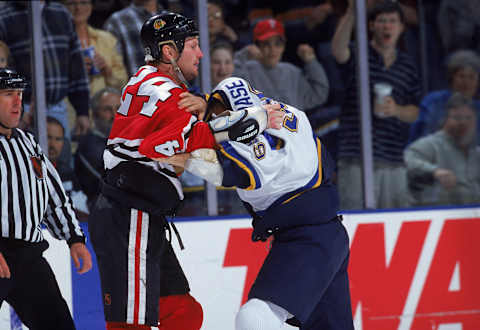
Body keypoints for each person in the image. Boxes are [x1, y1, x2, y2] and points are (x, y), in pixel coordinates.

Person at [88, 12, 274, 330]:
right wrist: (234, 126)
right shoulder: (167, 93)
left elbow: (163, 131)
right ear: (170, 52)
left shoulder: (147, 81)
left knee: (184, 313)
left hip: (137, 215)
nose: (200, 53)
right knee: (131, 325)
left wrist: (203, 112)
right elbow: (159, 146)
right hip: (129, 216)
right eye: (193, 45)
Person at [155, 76, 354, 330]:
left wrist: (182, 157)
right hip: (326, 232)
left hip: (308, 238)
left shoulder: (254, 140)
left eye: (217, 116)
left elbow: (231, 171)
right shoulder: (283, 110)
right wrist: (205, 103)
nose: (212, 122)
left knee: (255, 319)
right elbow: (228, 92)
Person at [0, 68, 92, 329]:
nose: (18, 102)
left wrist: (74, 239)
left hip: (28, 257)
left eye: (19, 94)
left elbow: (53, 195)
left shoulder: (28, 143)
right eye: (9, 94)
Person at [331, 0, 422, 209]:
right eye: (382, 21)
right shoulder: (359, 54)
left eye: (392, 21)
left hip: (393, 158)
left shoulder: (407, 65)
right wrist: (352, 13)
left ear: (401, 27)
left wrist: (396, 110)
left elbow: (415, 111)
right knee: (356, 221)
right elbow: (338, 50)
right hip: (356, 157)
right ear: (371, 26)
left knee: (396, 222)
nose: (387, 26)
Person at [0, 1, 91, 137]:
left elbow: (76, 65)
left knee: (60, 157)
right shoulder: (4, 16)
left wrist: (82, 111)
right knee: (23, 155)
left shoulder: (60, 12)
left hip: (58, 107)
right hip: (21, 108)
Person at [234, 18, 330, 111]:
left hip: (292, 126)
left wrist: (311, 62)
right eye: (266, 44)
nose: (272, 49)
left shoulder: (292, 72)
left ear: (284, 47)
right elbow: (226, 82)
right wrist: (243, 55)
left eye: (277, 44)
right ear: (256, 46)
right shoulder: (246, 70)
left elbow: (319, 94)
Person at [405, 93, 480, 206]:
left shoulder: (475, 151)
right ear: (445, 119)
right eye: (457, 117)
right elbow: (408, 159)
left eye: (468, 118)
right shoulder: (432, 144)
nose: (463, 123)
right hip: (440, 214)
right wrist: (435, 171)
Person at [409, 50, 480, 144]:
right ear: (452, 78)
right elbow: (417, 138)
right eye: (461, 76)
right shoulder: (433, 102)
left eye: (471, 77)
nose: (466, 82)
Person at [64, 0, 128, 96]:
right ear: (62, 7)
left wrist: (107, 70)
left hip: (103, 108)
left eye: (84, 2)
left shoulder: (107, 39)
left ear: (91, 6)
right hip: (69, 107)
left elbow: (123, 83)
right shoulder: (57, 41)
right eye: (71, 3)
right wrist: (73, 72)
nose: (78, 8)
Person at [103, 0, 165, 77]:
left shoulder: (173, 18)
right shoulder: (117, 21)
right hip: (139, 86)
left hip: (176, 86)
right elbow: (115, 71)